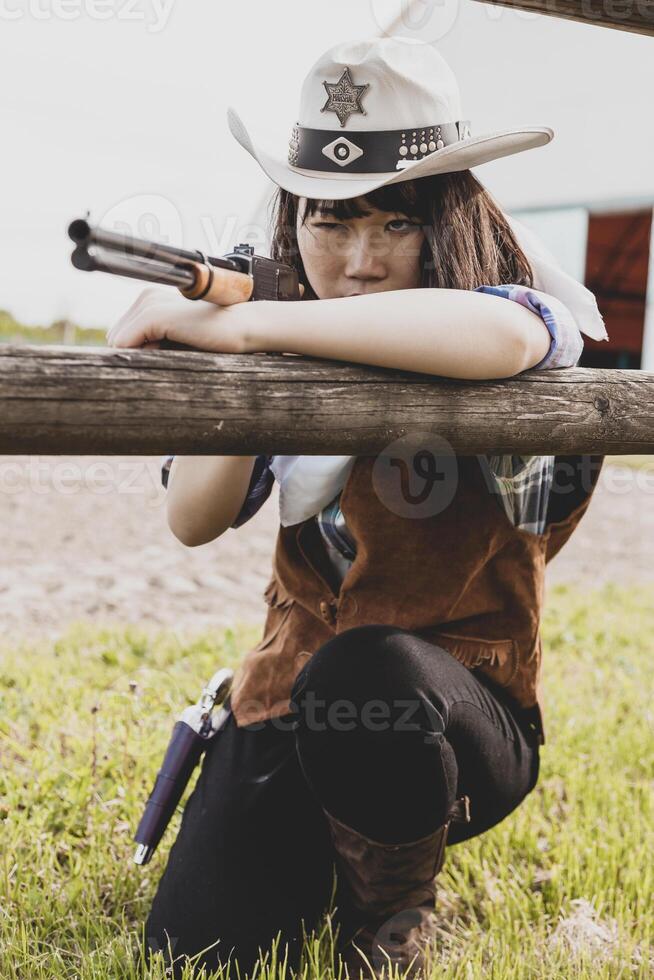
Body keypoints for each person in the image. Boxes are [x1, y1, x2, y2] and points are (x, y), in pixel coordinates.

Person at [109, 35, 608, 980]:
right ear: (293, 222)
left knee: (367, 670)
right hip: (289, 699)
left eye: (394, 225)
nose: (361, 262)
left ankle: (393, 911)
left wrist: (251, 319)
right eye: (330, 226)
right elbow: (194, 517)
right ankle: (336, 849)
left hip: (454, 716)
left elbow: (502, 336)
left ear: (447, 221)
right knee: (199, 948)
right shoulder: (283, 317)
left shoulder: (510, 293)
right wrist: (236, 364)